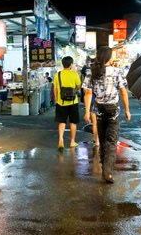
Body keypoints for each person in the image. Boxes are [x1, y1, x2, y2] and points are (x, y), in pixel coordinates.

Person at [83, 46, 131, 183]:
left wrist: (87, 111)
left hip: (98, 109)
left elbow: (87, 93)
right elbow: (123, 92)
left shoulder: (91, 71)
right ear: (109, 57)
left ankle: (105, 166)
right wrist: (127, 110)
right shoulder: (117, 71)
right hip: (112, 109)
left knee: (102, 139)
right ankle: (107, 172)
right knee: (111, 140)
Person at [53, 56, 82, 151]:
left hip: (61, 102)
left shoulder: (58, 74)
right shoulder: (74, 74)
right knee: (73, 122)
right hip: (73, 101)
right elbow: (78, 85)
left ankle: (61, 138)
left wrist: (56, 99)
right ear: (71, 64)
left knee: (62, 121)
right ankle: (72, 141)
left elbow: (55, 88)